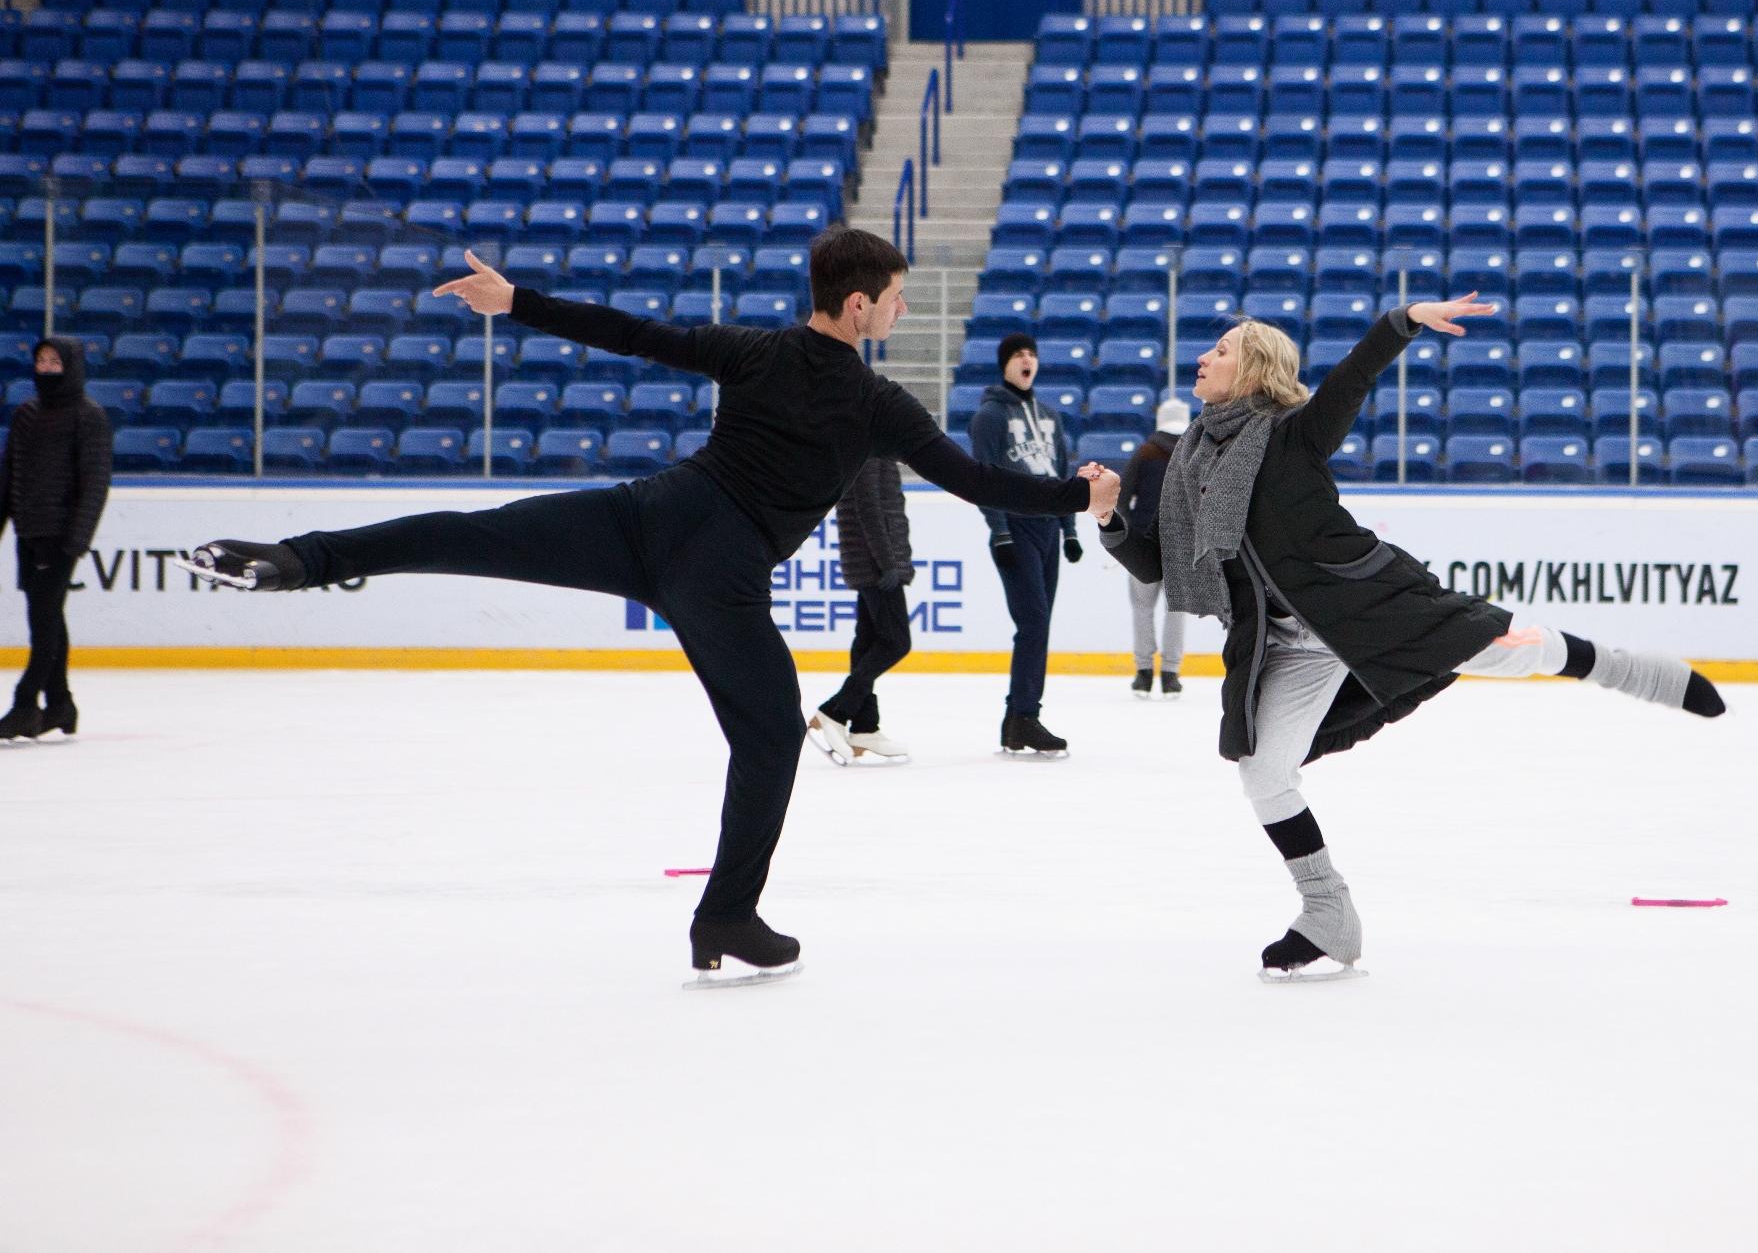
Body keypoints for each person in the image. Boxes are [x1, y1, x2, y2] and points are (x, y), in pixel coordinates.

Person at [177, 227, 1122, 984]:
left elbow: (633, 333)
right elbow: (976, 481)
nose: (905, 309)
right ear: (861, 301)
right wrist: (1080, 498)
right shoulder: (881, 403)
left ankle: (296, 560)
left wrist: (517, 305)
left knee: (474, 532)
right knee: (767, 738)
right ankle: (725, 912)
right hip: (718, 574)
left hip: (647, 519)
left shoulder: (753, 350)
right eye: (898, 296)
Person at [1093, 299, 1725, 982]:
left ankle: (1632, 672)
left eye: (1219, 349)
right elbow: (1159, 563)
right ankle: (1326, 912)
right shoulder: (1193, 458)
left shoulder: (1293, 435)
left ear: (1254, 369)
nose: (1203, 358)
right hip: (1283, 644)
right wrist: (1108, 519)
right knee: (1263, 772)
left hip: (1367, 608)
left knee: (1510, 653)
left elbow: (1352, 378)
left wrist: (1405, 319)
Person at [967, 331, 1082, 757]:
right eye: (1018, 354)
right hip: (1015, 528)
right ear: (1005, 364)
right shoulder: (990, 417)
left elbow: (1062, 473)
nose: (1027, 359)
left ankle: (1018, 720)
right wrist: (999, 530)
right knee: (1032, 622)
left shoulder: (1051, 416)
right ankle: (1023, 716)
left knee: (1038, 625)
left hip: (1049, 529)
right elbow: (983, 478)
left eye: (1032, 353)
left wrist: (1069, 530)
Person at [1, 337, 113, 740]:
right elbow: (8, 474)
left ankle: (25, 703)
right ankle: (61, 704)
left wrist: (77, 540)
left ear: (72, 366)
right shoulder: (26, 413)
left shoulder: (89, 416)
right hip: (28, 530)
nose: (47, 368)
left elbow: (95, 483)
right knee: (47, 615)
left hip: (61, 535)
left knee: (43, 618)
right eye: (41, 361)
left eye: (55, 361)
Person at [806, 454, 914, 766]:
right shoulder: (870, 456)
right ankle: (834, 711)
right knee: (896, 642)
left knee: (868, 642)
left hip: (871, 564)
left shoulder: (872, 454)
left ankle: (865, 726)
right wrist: (887, 564)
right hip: (875, 567)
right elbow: (870, 511)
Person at [1117, 395, 1192, 699]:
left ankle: (1143, 672)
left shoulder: (1145, 452)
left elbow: (1122, 499)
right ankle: (1171, 674)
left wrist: (1122, 534)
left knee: (1142, 607)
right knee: (1177, 610)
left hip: (1142, 541)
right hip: (1181, 542)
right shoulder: (1194, 453)